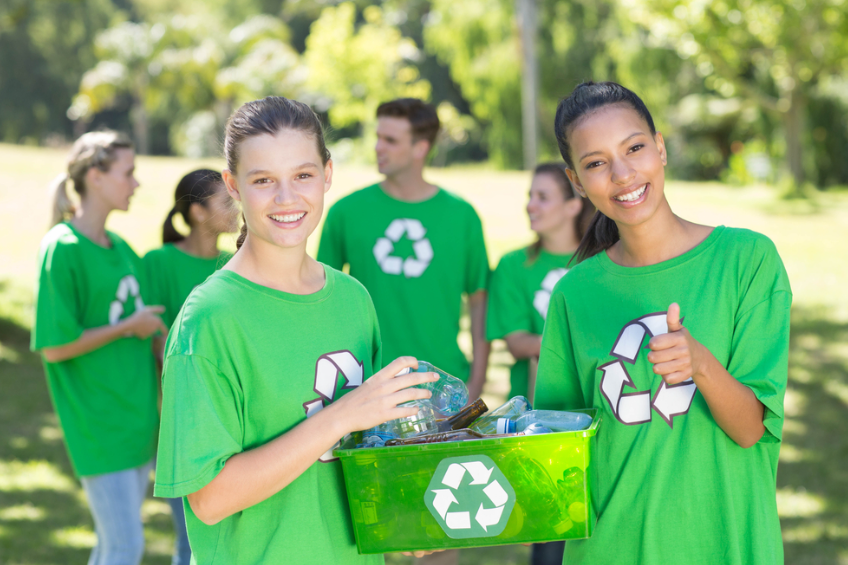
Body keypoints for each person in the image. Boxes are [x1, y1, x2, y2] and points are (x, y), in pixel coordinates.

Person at [153, 96, 439, 564]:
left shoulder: (353, 299)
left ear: (327, 174)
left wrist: (398, 516)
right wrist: (341, 415)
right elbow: (209, 498)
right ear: (233, 186)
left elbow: (363, 451)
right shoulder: (209, 319)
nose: (287, 199)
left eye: (303, 175)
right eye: (264, 180)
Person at [534, 81, 790, 564]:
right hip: (611, 549)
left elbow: (752, 430)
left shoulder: (746, 260)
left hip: (723, 542)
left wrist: (702, 365)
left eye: (634, 148)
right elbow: (558, 452)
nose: (622, 173)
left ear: (661, 149)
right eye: (595, 163)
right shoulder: (575, 292)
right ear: (575, 181)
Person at [31, 130, 168, 565]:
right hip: (98, 425)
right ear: (96, 176)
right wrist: (130, 325)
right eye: (128, 173)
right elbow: (55, 347)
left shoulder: (124, 249)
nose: (135, 183)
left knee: (112, 547)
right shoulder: (62, 249)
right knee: (126, 548)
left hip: (136, 420)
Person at [317, 98, 491, 403]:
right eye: (378, 137)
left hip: (444, 384)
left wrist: (476, 382)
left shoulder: (462, 216)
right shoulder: (346, 212)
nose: (378, 147)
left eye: (391, 140)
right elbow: (319, 299)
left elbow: (479, 300)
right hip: (368, 386)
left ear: (420, 148)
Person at [143, 169, 237, 565]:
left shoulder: (234, 264)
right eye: (226, 202)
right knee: (191, 542)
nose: (237, 209)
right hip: (181, 422)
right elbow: (158, 346)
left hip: (232, 422)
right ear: (198, 212)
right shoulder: (159, 262)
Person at [487, 163, 594, 402]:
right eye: (530, 196)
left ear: (573, 206)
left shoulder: (602, 262)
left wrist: (541, 343)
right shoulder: (512, 265)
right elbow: (517, 343)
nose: (530, 206)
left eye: (542, 198)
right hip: (532, 404)